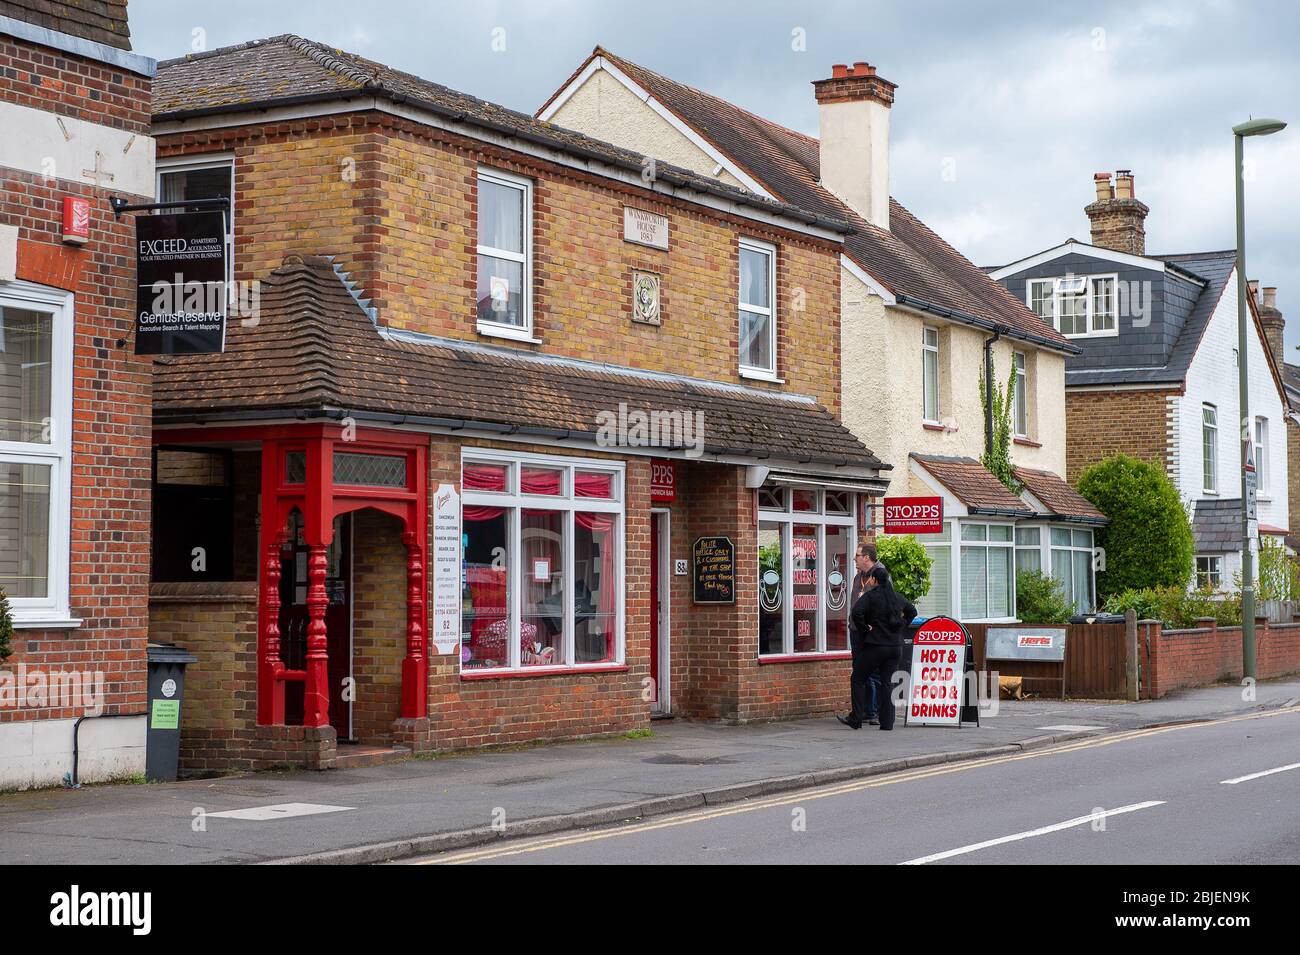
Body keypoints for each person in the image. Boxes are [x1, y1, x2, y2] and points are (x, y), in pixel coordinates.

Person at [839, 564, 916, 731]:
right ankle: (887, 723)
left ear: (874, 580)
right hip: (895, 647)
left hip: (876, 646)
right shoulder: (896, 597)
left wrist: (865, 629)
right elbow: (912, 611)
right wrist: (902, 625)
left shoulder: (870, 596)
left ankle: (856, 718)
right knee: (887, 683)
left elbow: (856, 613)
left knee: (858, 678)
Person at [844, 542, 882, 724]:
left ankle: (872, 711)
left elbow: (883, 604)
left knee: (871, 671)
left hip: (870, 631)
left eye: (857, 555)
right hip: (856, 629)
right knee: (859, 669)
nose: (854, 558)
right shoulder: (857, 577)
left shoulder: (880, 575)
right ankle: (866, 710)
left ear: (866, 557)